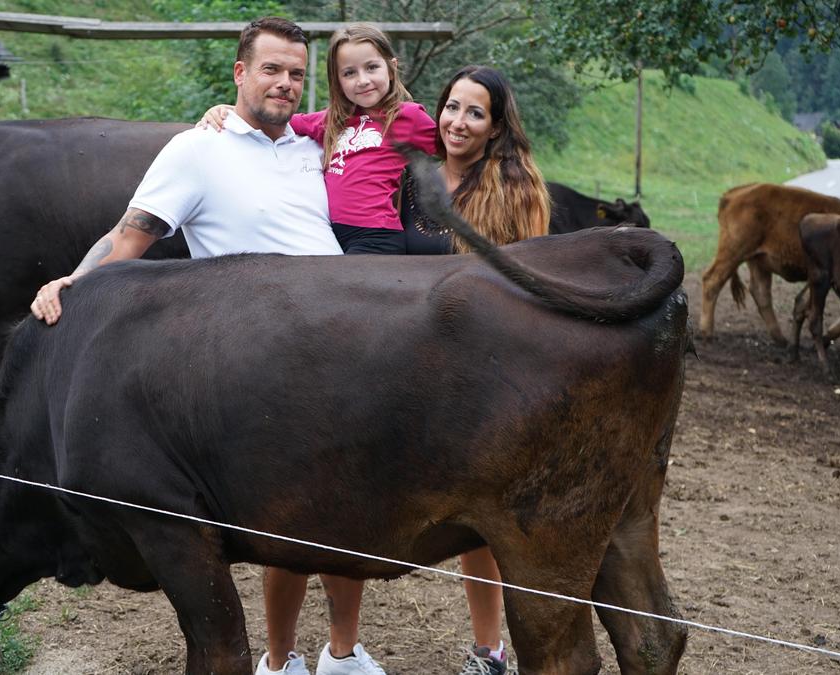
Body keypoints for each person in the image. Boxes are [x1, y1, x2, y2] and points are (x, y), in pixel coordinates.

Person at [30, 16, 386, 675]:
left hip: (347, 346)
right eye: (272, 69)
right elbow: (130, 236)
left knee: (349, 505)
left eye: (296, 75)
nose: (285, 83)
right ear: (240, 73)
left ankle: (344, 652)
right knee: (293, 517)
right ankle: (280, 662)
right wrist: (76, 285)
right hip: (259, 361)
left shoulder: (314, 147)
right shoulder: (197, 149)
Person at [401, 65, 551, 675]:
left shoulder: (517, 190)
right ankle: (343, 645)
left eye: (475, 113)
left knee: (485, 524)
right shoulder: (408, 177)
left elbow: (528, 289)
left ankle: (491, 653)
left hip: (481, 370)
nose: (458, 122)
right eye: (452, 107)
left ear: (495, 128)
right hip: (404, 359)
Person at [198, 23, 437, 255]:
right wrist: (226, 109)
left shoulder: (408, 116)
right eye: (349, 73)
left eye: (372, 67)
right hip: (333, 235)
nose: (362, 80)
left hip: (376, 236)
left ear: (391, 68)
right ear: (338, 80)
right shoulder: (331, 120)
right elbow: (275, 118)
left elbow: (451, 146)